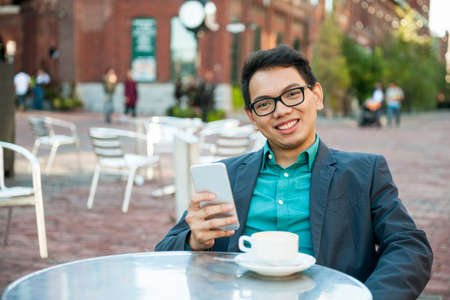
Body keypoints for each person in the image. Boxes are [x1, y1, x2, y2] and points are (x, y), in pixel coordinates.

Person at [155, 45, 432, 299]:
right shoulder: (227, 175)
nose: (282, 110)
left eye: (292, 94)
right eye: (264, 103)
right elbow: (163, 253)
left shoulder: (365, 172)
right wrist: (193, 239)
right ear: (252, 117)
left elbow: (409, 247)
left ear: (316, 96)